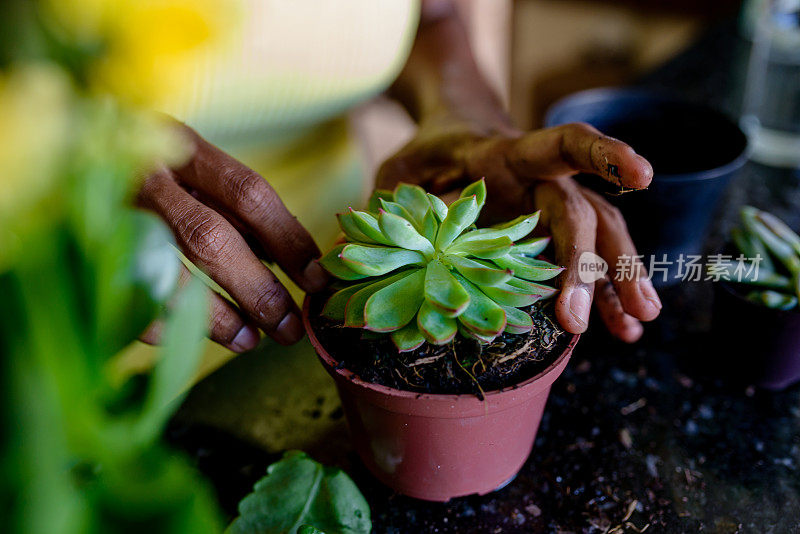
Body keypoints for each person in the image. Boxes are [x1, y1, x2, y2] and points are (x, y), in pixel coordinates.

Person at [137, 0, 661, 360]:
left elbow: (428, 17)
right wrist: (74, 174)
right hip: (100, 340)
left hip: (338, 267)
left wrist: (462, 115)